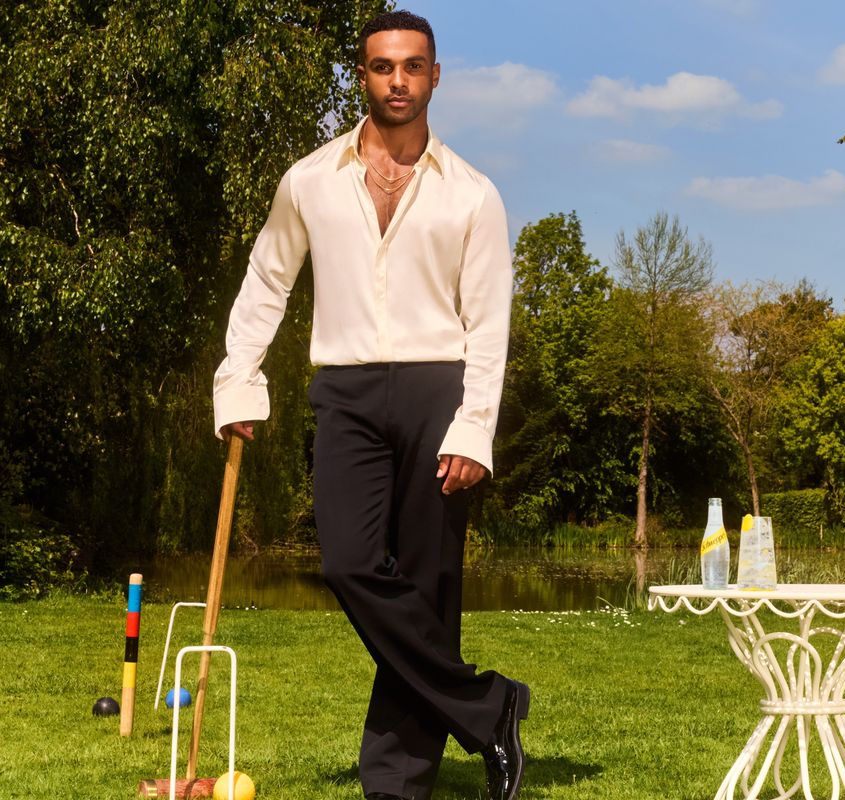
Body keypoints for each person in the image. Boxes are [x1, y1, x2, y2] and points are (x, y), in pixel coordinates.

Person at [211, 10, 527, 800]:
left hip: (437, 388)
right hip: (346, 390)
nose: (398, 81)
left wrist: (473, 428)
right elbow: (266, 281)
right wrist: (239, 379)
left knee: (427, 584)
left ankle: (396, 780)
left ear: (434, 77)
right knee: (349, 563)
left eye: (413, 67)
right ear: (363, 75)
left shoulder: (475, 197)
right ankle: (489, 706)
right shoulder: (308, 181)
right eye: (383, 67)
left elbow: (489, 326)